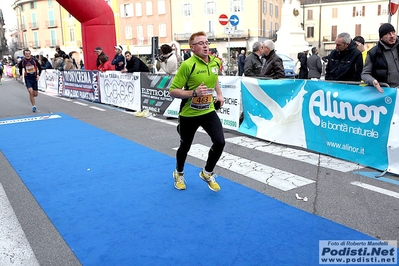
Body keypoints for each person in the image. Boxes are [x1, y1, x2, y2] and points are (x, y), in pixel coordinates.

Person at [169, 31, 225, 192]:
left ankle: (207, 173)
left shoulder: (215, 62)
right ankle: (179, 173)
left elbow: (214, 80)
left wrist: (219, 94)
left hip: (208, 110)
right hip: (189, 114)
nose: (206, 45)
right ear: (192, 48)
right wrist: (194, 93)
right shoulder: (188, 65)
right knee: (185, 146)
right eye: (201, 43)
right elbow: (173, 91)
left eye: (207, 42)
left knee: (220, 142)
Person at [362, 23, 399, 93]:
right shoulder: (374, 53)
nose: (392, 36)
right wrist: (373, 81)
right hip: (385, 92)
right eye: (388, 34)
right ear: (381, 37)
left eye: (393, 33)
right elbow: (365, 74)